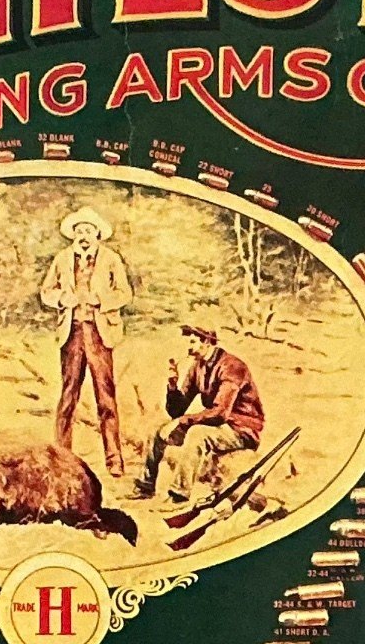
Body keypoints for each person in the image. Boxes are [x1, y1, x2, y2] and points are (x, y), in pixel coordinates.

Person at [40, 207, 134, 478]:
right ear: (73, 235)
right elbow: (46, 291)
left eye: (88, 231)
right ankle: (61, 458)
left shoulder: (111, 259)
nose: (84, 236)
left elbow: (125, 293)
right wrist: (61, 299)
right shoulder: (62, 259)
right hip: (71, 334)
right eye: (79, 231)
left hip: (100, 335)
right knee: (68, 396)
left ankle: (114, 459)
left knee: (106, 398)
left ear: (97, 234)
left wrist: (101, 300)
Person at [138, 322, 265, 504]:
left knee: (197, 434)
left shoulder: (232, 367)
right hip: (217, 425)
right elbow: (177, 411)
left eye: (192, 342)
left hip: (241, 429)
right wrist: (173, 386)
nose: (188, 347)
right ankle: (145, 486)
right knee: (156, 431)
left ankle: (179, 495)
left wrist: (183, 421)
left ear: (206, 341)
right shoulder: (197, 367)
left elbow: (220, 413)